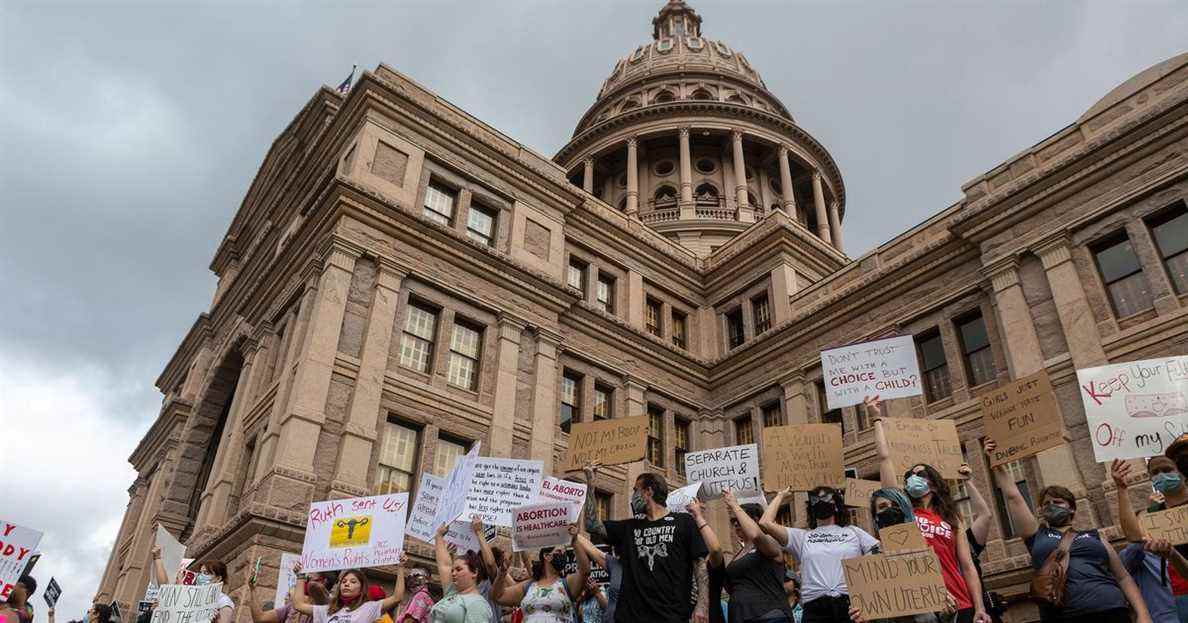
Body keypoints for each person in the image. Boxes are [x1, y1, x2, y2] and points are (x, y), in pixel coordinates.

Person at [984, 438, 1151, 623]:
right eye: (1046, 504)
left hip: (1111, 611)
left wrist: (1143, 614)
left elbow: (1123, 577)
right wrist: (996, 462)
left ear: (1071, 508)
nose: (1051, 506)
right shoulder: (1037, 536)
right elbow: (1013, 497)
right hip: (1064, 615)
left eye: (1057, 502)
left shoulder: (1095, 537)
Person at [872, 398, 990, 623]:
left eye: (920, 474)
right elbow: (884, 458)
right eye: (909, 476)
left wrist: (979, 608)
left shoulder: (951, 517)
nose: (913, 479)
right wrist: (876, 418)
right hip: (921, 604)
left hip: (959, 601)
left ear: (934, 484)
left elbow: (966, 565)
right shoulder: (903, 512)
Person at [582, 463, 709, 623]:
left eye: (636, 490)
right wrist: (590, 484)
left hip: (672, 617)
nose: (633, 495)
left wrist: (702, 605)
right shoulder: (629, 528)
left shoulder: (684, 522)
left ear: (648, 491)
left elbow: (700, 565)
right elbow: (592, 525)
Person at [757, 485, 877, 623]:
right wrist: (781, 495)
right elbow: (765, 523)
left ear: (836, 504)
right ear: (811, 507)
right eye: (816, 499)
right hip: (815, 609)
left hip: (849, 605)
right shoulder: (802, 537)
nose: (821, 501)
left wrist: (866, 591)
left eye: (826, 497)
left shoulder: (853, 532)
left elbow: (878, 551)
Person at [847, 487, 957, 623]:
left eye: (895, 505)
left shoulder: (926, 554)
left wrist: (949, 613)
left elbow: (940, 612)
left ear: (904, 510)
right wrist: (861, 617)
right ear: (875, 517)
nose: (890, 509)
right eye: (883, 507)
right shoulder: (868, 562)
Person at [1112, 457, 1188, 623]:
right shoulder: (1153, 515)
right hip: (1177, 597)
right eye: (1155, 473)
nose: (1161, 476)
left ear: (1182, 473)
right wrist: (1121, 488)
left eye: (1167, 470)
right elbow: (1134, 537)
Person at [702, 489, 796, 623]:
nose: (735, 524)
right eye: (733, 521)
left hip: (769, 615)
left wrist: (734, 505)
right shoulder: (738, 555)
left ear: (755, 520)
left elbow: (756, 535)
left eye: (739, 519)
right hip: (741, 617)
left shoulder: (770, 543)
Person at [492, 524, 588, 622]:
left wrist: (575, 541)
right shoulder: (528, 587)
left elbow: (585, 571)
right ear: (547, 556)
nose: (563, 555)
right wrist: (502, 572)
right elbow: (498, 597)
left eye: (564, 553)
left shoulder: (567, 584)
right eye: (559, 551)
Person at [291, 562, 405, 623]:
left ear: (361, 588)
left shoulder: (369, 608)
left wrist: (400, 567)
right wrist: (300, 576)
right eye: (344, 581)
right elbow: (298, 605)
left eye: (353, 581)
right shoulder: (327, 610)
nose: (346, 584)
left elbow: (397, 597)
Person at [430, 523, 495, 623]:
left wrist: (479, 532)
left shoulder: (477, 604)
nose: (453, 573)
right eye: (453, 570)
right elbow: (445, 565)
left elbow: (490, 563)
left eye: (459, 569)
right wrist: (439, 536)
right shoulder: (452, 592)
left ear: (474, 572)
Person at [151, 547, 235, 623]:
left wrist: (215, 620)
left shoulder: (223, 602)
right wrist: (162, 607)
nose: (201, 576)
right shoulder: (191, 595)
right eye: (200, 573)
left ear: (218, 578)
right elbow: (165, 588)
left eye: (206, 573)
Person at [246, 564, 334, 623]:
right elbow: (260, 618)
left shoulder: (329, 606)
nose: (308, 576)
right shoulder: (292, 606)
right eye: (307, 577)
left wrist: (301, 577)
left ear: (324, 581)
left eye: (311, 577)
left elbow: (315, 587)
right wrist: (252, 589)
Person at [572, 533, 620, 623]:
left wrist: (597, 593)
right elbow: (590, 548)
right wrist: (574, 534)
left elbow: (607, 607)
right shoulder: (615, 565)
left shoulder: (604, 591)